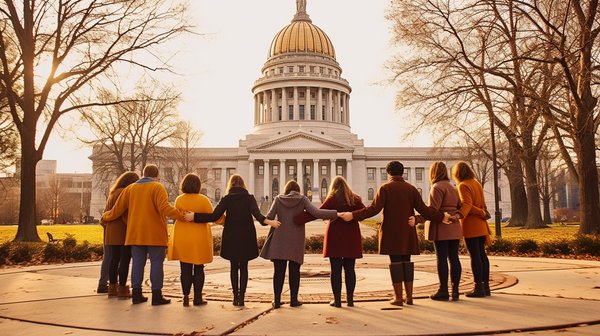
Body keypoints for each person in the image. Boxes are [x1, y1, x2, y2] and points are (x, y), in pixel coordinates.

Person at [340, 161, 451, 306]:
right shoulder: (411, 189)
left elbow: (372, 209)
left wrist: (353, 215)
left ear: (388, 173)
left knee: (395, 262)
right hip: (407, 231)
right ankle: (409, 297)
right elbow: (425, 210)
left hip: (392, 233)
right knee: (407, 261)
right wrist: (442, 216)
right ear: (402, 172)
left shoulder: (385, 188)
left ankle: (398, 297)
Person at [183, 174, 280, 307]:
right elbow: (258, 216)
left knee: (234, 267)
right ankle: (242, 298)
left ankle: (235, 297)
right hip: (246, 236)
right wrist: (269, 222)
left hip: (231, 236)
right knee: (244, 267)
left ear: (231, 184)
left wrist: (195, 216)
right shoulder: (249, 198)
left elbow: (214, 216)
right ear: (243, 184)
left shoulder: (226, 199)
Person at [102, 164, 185, 306]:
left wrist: (105, 217)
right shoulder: (157, 187)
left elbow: (117, 210)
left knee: (137, 263)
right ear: (156, 175)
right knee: (156, 263)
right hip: (155, 233)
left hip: (135, 233)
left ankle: (136, 294)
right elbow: (164, 208)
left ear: (143, 174)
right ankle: (157, 295)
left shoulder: (130, 189)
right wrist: (181, 215)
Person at [260, 180, 339, 308]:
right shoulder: (302, 199)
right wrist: (336, 214)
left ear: (286, 190)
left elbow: (269, 217)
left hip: (279, 239)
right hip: (296, 239)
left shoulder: (278, 199)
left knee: (278, 271)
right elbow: (317, 213)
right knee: (294, 270)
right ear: (298, 190)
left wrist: (267, 220)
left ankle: (276, 300)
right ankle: (293, 300)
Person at [296, 176, 365, 307]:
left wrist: (297, 219)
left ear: (333, 187)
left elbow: (317, 212)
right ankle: (350, 300)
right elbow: (364, 213)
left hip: (335, 237)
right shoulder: (355, 199)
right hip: (351, 237)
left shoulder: (332, 199)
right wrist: (353, 215)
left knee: (336, 269)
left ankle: (337, 301)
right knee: (350, 269)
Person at [410, 162, 462, 301]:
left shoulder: (437, 187)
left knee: (442, 259)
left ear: (433, 173)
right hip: (454, 227)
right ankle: (455, 290)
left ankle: (443, 290)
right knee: (454, 259)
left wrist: (417, 219)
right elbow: (460, 207)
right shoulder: (453, 187)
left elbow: (432, 210)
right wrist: (456, 216)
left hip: (441, 227)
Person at [168, 173, 215, 306]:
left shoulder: (179, 199)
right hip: (199, 237)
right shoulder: (203, 200)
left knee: (185, 269)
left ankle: (185, 297)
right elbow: (212, 216)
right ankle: (198, 298)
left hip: (182, 236)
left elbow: (177, 214)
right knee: (199, 268)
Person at [452, 161, 492, 298]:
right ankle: (486, 286)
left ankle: (478, 287)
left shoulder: (463, 185)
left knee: (475, 256)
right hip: (481, 224)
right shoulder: (476, 183)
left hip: (471, 224)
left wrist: (459, 214)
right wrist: (483, 212)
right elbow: (482, 204)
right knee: (482, 255)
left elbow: (467, 205)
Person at [102, 171, 140, 299]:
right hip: (122, 230)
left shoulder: (113, 192)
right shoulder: (125, 192)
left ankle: (112, 287)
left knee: (114, 259)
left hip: (111, 230)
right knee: (124, 260)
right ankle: (123, 288)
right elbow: (124, 213)